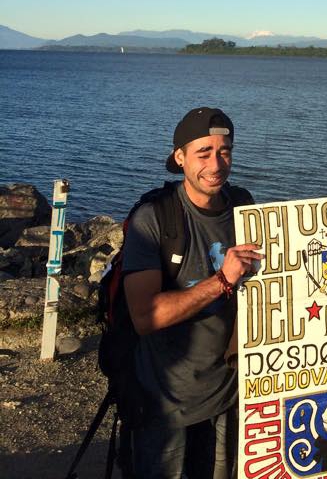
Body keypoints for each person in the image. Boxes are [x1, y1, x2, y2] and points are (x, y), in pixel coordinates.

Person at [123, 106, 263, 479]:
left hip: (227, 394)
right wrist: (222, 280)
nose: (216, 164)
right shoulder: (154, 219)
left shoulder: (243, 208)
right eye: (204, 153)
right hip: (164, 402)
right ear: (179, 157)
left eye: (225, 151)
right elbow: (144, 317)